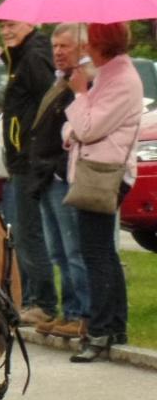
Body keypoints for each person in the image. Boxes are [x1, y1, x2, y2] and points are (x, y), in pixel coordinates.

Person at [62, 21, 141, 362]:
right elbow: (75, 128)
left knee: (95, 253)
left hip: (104, 173)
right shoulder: (110, 74)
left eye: (89, 40)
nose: (84, 46)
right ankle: (114, 326)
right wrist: (75, 127)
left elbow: (88, 127)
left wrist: (80, 93)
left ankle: (100, 330)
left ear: (101, 43)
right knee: (102, 252)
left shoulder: (121, 80)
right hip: (97, 169)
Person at [27, 23, 90, 340]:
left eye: (64, 46)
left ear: (82, 47)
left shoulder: (83, 83)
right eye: (55, 47)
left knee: (73, 248)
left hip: (64, 174)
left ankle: (81, 313)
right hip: (48, 177)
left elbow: (81, 127)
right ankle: (69, 310)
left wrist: (55, 164)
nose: (58, 52)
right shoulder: (59, 81)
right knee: (58, 251)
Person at [0, 18, 58, 326]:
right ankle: (33, 298)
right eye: (2, 27)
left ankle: (43, 301)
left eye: (11, 25)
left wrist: (31, 145)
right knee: (23, 231)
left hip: (30, 159)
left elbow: (47, 101)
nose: (6, 31)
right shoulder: (20, 57)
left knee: (29, 231)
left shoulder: (34, 57)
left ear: (31, 23)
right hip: (21, 158)